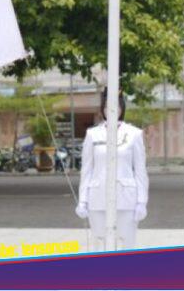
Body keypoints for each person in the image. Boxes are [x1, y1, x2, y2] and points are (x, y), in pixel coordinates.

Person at [75, 88, 148, 251]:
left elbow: (140, 171)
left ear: (122, 107)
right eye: (107, 105)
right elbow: (86, 170)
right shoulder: (92, 134)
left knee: (126, 243)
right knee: (99, 244)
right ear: (103, 108)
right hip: (98, 197)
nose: (112, 109)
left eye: (115, 105)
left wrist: (142, 201)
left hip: (126, 198)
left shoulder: (134, 134)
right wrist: (83, 200)